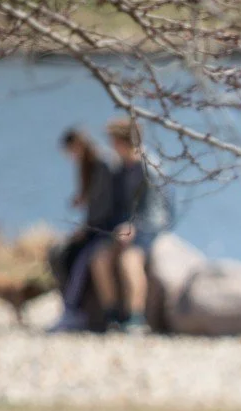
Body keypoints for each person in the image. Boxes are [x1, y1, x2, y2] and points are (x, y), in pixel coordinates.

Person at [88, 116, 173, 331]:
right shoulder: (120, 168)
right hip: (122, 230)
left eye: (113, 141)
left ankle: (136, 317)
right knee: (99, 258)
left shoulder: (149, 168)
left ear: (122, 141)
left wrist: (135, 227)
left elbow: (159, 212)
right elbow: (116, 206)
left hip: (147, 229)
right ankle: (112, 316)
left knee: (129, 261)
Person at [47, 128, 118, 333]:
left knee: (77, 259)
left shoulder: (103, 163)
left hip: (105, 227)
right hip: (94, 225)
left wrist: (87, 229)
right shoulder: (87, 164)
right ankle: (70, 308)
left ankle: (74, 310)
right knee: (59, 253)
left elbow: (105, 204)